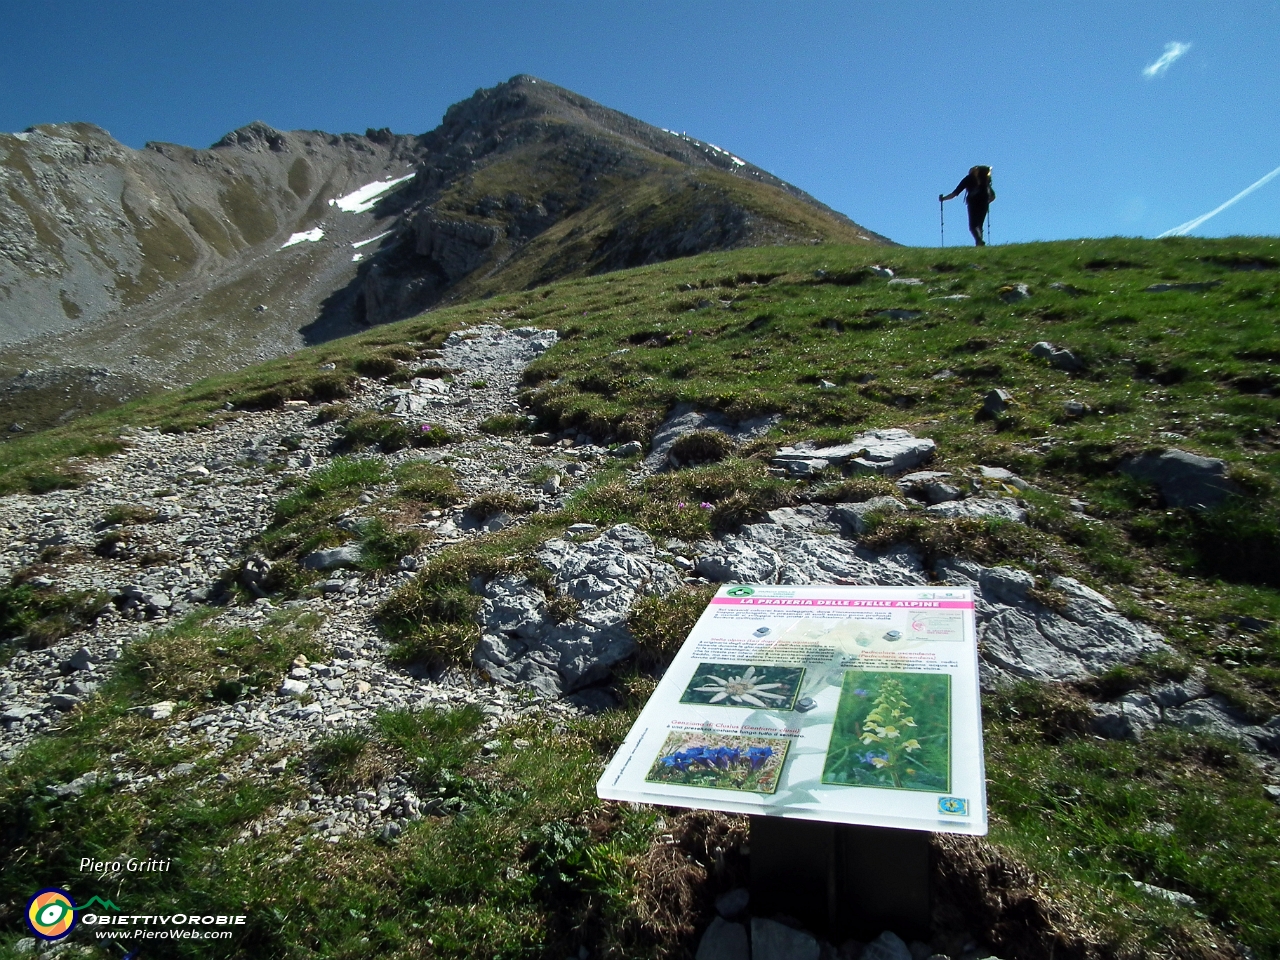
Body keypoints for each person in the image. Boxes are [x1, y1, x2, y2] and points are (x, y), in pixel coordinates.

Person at [940, 166, 995, 246]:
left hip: (973, 202)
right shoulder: (985, 182)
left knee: (973, 225)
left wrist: (943, 199)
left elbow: (955, 193)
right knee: (979, 225)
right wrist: (986, 202)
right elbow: (993, 197)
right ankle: (979, 244)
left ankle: (979, 241)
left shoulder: (968, 179)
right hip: (984, 203)